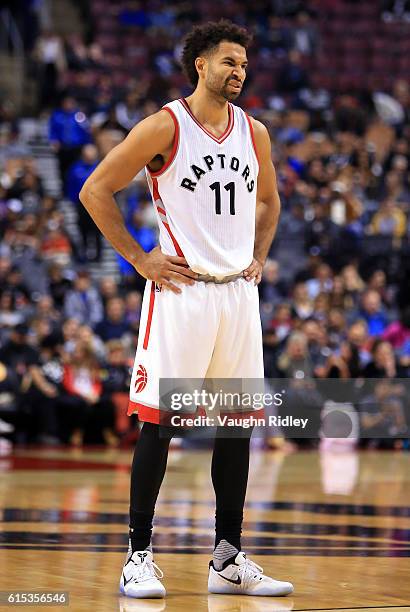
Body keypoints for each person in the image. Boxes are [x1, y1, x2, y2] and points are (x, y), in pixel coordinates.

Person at [80, 20, 293, 599]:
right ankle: (138, 555)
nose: (239, 71)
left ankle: (227, 557)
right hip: (181, 291)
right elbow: (95, 189)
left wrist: (257, 257)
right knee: (160, 424)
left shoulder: (256, 133)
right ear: (200, 64)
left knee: (236, 428)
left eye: (244, 63)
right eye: (229, 61)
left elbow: (270, 201)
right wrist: (138, 259)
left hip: (236, 295)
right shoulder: (165, 126)